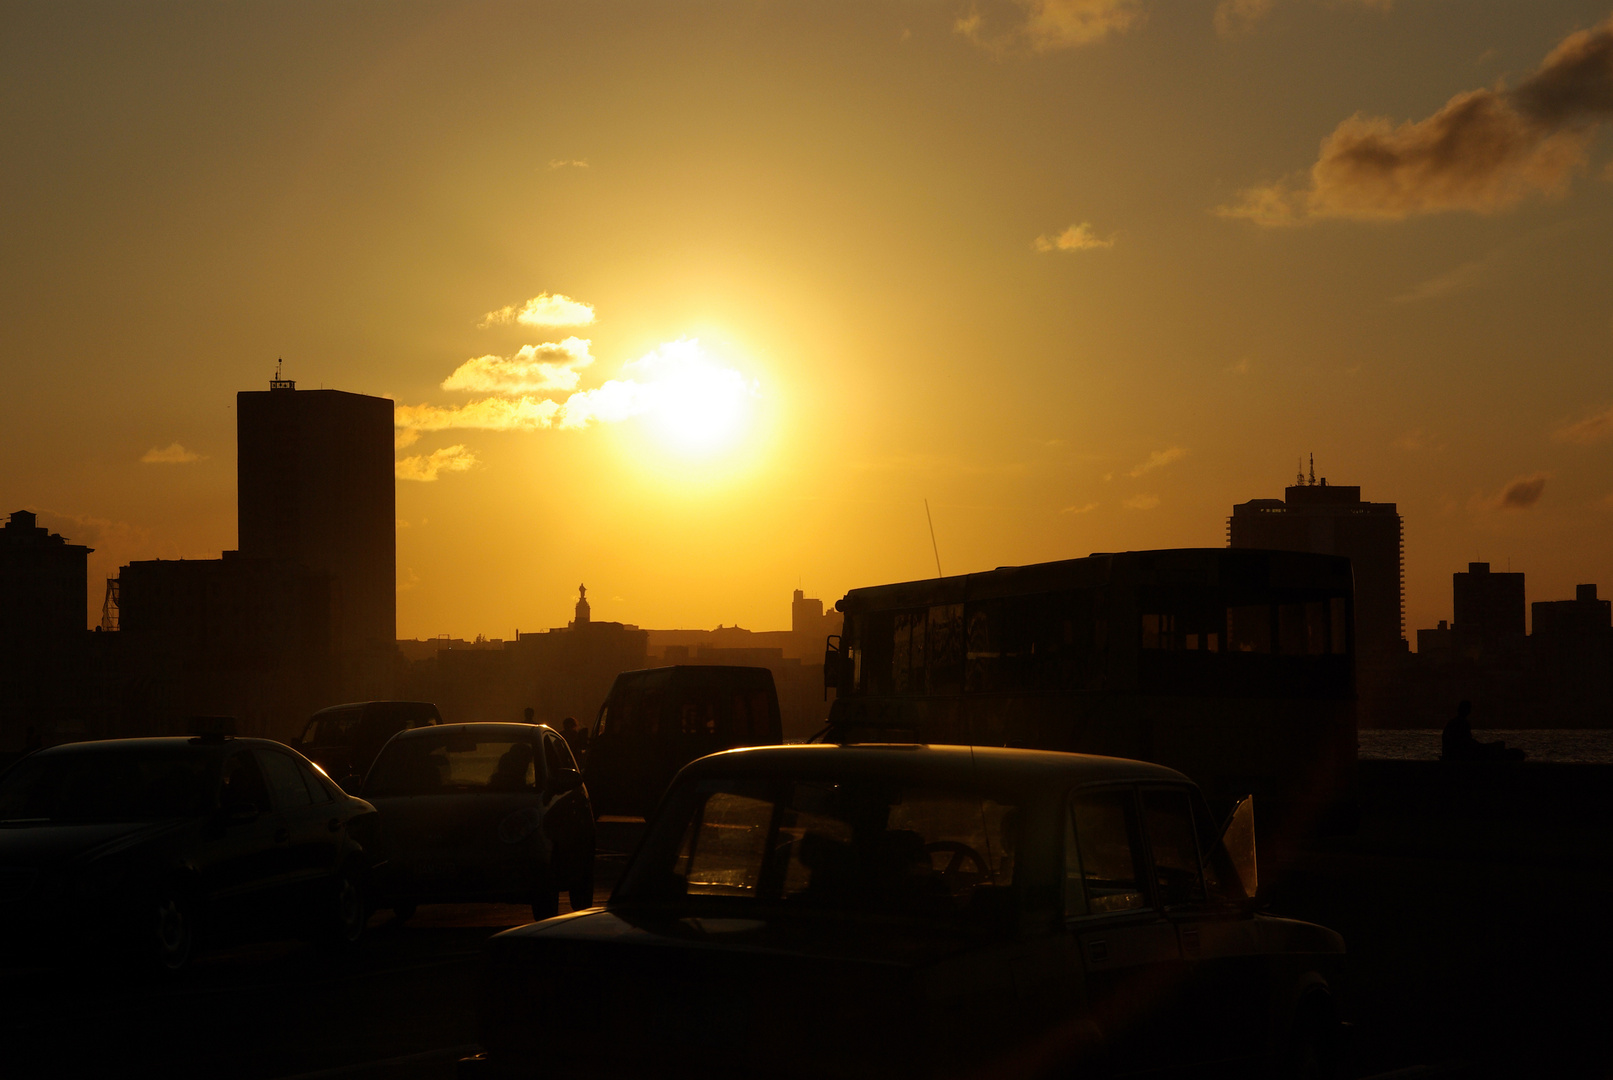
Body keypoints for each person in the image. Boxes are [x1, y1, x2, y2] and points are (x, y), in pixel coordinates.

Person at [1441, 700, 1525, 762]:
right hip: (1458, 755)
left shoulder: (1454, 722)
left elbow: (1466, 742)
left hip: (1454, 753)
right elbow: (1465, 743)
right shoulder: (1461, 723)